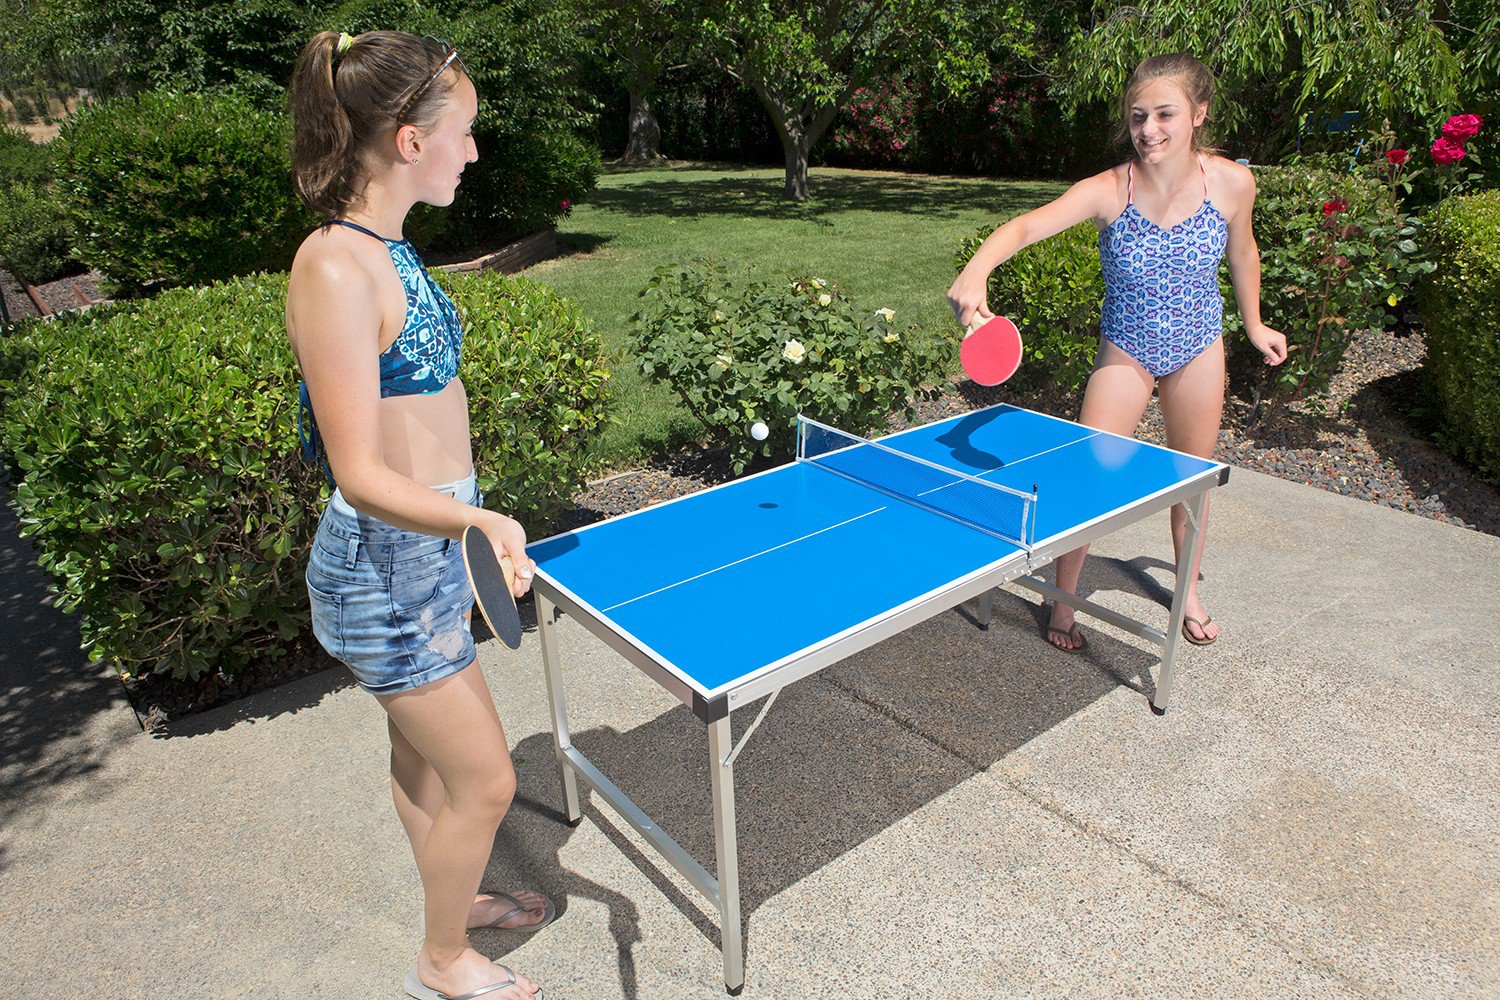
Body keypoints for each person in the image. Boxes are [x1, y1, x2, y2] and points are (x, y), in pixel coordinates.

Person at [287, 30, 549, 1000]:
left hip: (426, 553)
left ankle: (455, 893)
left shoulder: (387, 251)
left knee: (425, 759)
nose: (472, 152)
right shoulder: (335, 268)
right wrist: (480, 525)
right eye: (464, 133)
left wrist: (469, 523)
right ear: (408, 141)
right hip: (384, 570)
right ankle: (442, 958)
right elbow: (358, 471)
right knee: (488, 781)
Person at [948, 53, 1287, 651]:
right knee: (1089, 478)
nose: (1148, 129)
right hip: (1125, 349)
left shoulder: (1232, 183)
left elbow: (1244, 254)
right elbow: (1025, 228)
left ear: (1198, 115)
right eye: (1138, 117)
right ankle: (1064, 598)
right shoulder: (1108, 190)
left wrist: (1254, 324)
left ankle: (1188, 590)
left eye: (1164, 114)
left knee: (1191, 480)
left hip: (1200, 346)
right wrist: (976, 272)